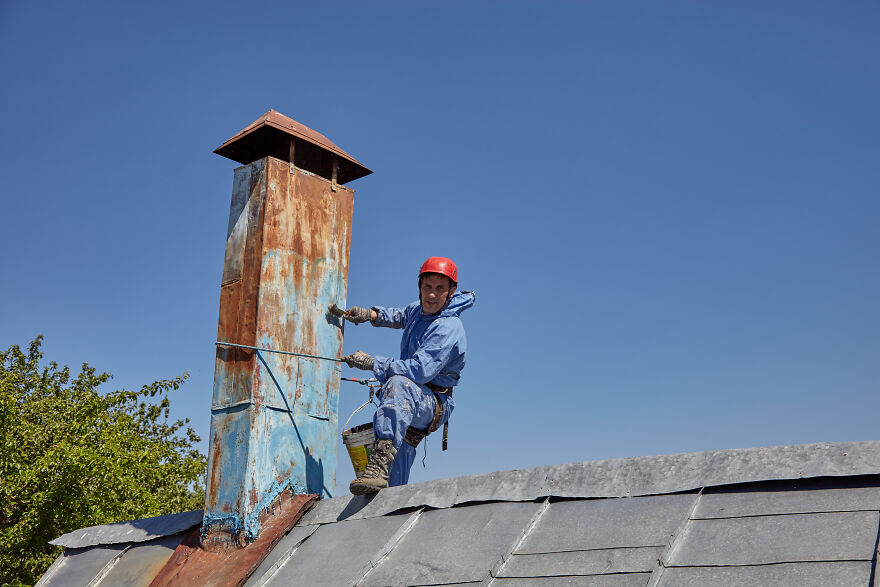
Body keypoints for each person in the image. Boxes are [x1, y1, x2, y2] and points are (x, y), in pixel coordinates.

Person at [337, 257, 475, 495]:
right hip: (412, 400)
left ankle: (378, 463)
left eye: (440, 289)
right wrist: (369, 315)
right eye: (427, 287)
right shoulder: (419, 310)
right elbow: (401, 315)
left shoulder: (448, 328)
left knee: (399, 385)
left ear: (451, 292)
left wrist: (373, 363)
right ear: (420, 287)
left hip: (432, 402)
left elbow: (419, 371)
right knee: (393, 484)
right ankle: (386, 488)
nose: (432, 295)